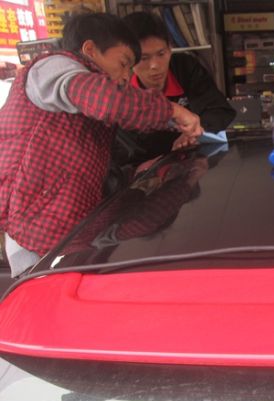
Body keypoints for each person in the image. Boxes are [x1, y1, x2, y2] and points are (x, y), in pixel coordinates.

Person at [0, 12, 204, 277]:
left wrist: (158, 180)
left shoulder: (85, 107)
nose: (126, 76)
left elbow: (92, 167)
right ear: (90, 50)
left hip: (75, 231)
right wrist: (173, 111)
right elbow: (110, 101)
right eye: (124, 63)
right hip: (35, 238)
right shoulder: (51, 68)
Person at [116, 11, 236, 164]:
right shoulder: (119, 89)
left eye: (161, 54)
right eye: (144, 58)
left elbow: (220, 111)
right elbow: (124, 152)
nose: (155, 65)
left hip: (192, 164)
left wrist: (194, 132)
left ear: (170, 48)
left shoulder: (185, 68)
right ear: (129, 59)